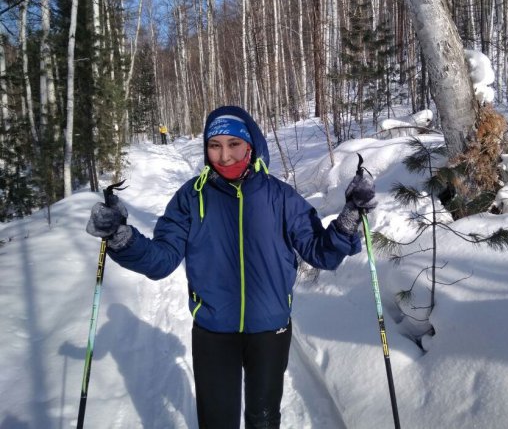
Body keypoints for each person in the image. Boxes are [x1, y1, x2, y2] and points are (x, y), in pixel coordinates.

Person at [86, 105, 377, 429]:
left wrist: (350, 216)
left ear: (250, 145)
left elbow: (321, 253)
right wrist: (120, 237)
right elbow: (162, 260)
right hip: (213, 331)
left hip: (270, 328)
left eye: (233, 144)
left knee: (263, 418)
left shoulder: (280, 197)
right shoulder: (190, 199)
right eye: (215, 145)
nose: (224, 155)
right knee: (217, 422)